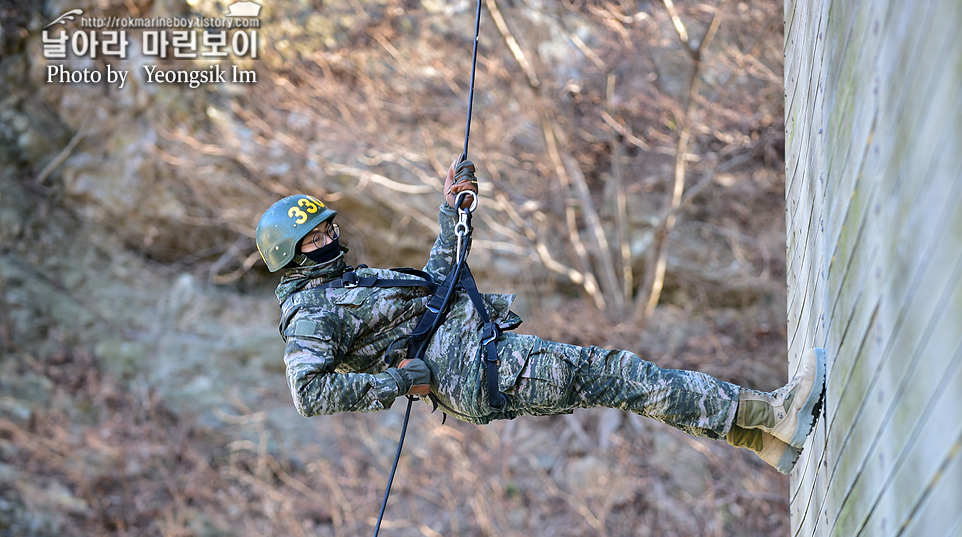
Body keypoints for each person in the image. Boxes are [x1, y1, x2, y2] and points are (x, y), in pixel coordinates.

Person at [255, 159, 825, 474]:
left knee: (622, 386)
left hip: (481, 359)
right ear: (289, 255)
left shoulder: (347, 281)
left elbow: (437, 288)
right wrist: (399, 382)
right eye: (313, 238)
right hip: (478, 370)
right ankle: (772, 411)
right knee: (622, 376)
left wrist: (453, 212)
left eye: (328, 227)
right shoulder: (309, 311)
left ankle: (764, 439)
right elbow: (311, 394)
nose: (329, 238)